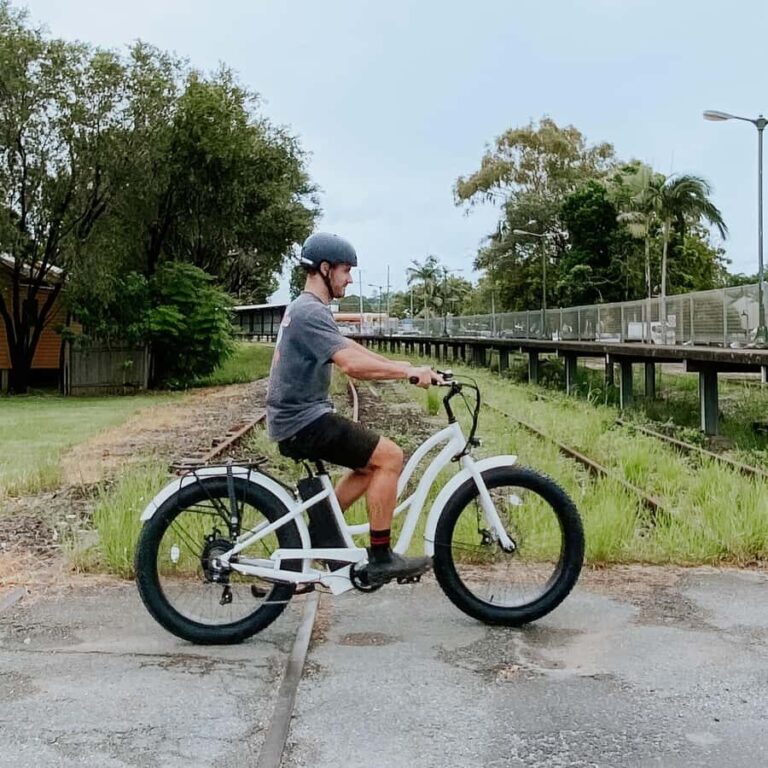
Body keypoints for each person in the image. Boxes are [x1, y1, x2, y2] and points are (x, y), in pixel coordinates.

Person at [266, 232, 439, 586]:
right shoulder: (310, 311)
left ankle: (316, 535)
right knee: (389, 457)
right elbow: (352, 366)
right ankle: (380, 557)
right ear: (325, 269)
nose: (350, 278)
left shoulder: (308, 309)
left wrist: (402, 364)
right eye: (346, 270)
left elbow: (350, 347)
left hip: (299, 417)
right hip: (302, 421)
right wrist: (406, 373)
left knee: (367, 467)